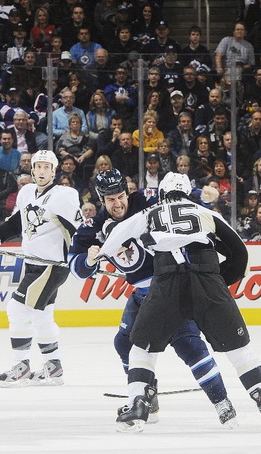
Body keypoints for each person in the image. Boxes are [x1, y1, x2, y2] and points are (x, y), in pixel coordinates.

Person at [95, 171, 261, 433]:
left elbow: (116, 237)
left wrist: (97, 257)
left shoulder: (150, 214)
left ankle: (139, 407)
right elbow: (238, 250)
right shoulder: (206, 213)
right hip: (207, 281)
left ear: (162, 195)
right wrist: (220, 281)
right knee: (241, 351)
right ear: (188, 194)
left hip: (166, 284)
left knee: (141, 350)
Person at [68, 169, 241, 429]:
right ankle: (147, 401)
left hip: (171, 286)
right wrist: (89, 259)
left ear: (128, 192)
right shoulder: (93, 226)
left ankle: (222, 402)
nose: (118, 203)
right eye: (111, 199)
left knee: (189, 346)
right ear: (101, 200)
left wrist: (202, 195)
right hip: (141, 293)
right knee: (124, 343)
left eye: (121, 196)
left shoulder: (146, 201)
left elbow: (177, 197)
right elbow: (76, 267)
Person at [0, 150, 82, 387]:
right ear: (32, 169)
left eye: (46, 167)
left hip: (52, 266)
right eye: (38, 166)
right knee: (42, 314)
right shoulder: (27, 192)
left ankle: (21, 365)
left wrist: (83, 256)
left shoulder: (64, 196)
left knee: (17, 309)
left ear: (54, 171)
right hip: (32, 262)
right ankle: (54, 365)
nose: (42, 171)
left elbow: (78, 232)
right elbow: (17, 222)